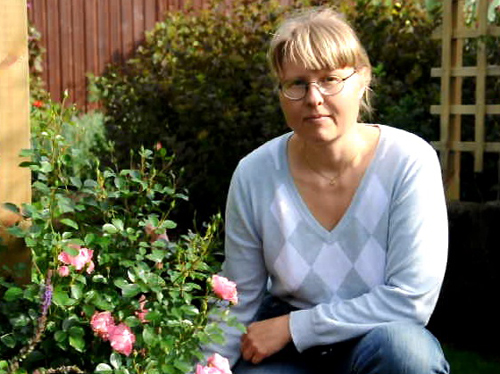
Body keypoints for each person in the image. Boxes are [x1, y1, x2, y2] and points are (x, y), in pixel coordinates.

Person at [203, 7, 450, 374]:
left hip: (376, 336)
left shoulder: (409, 161)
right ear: (281, 90)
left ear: (362, 78)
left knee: (409, 355)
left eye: (330, 79)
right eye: (297, 83)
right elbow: (238, 298)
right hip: (286, 351)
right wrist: (203, 366)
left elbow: (410, 300)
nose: (314, 97)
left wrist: (293, 328)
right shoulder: (254, 174)